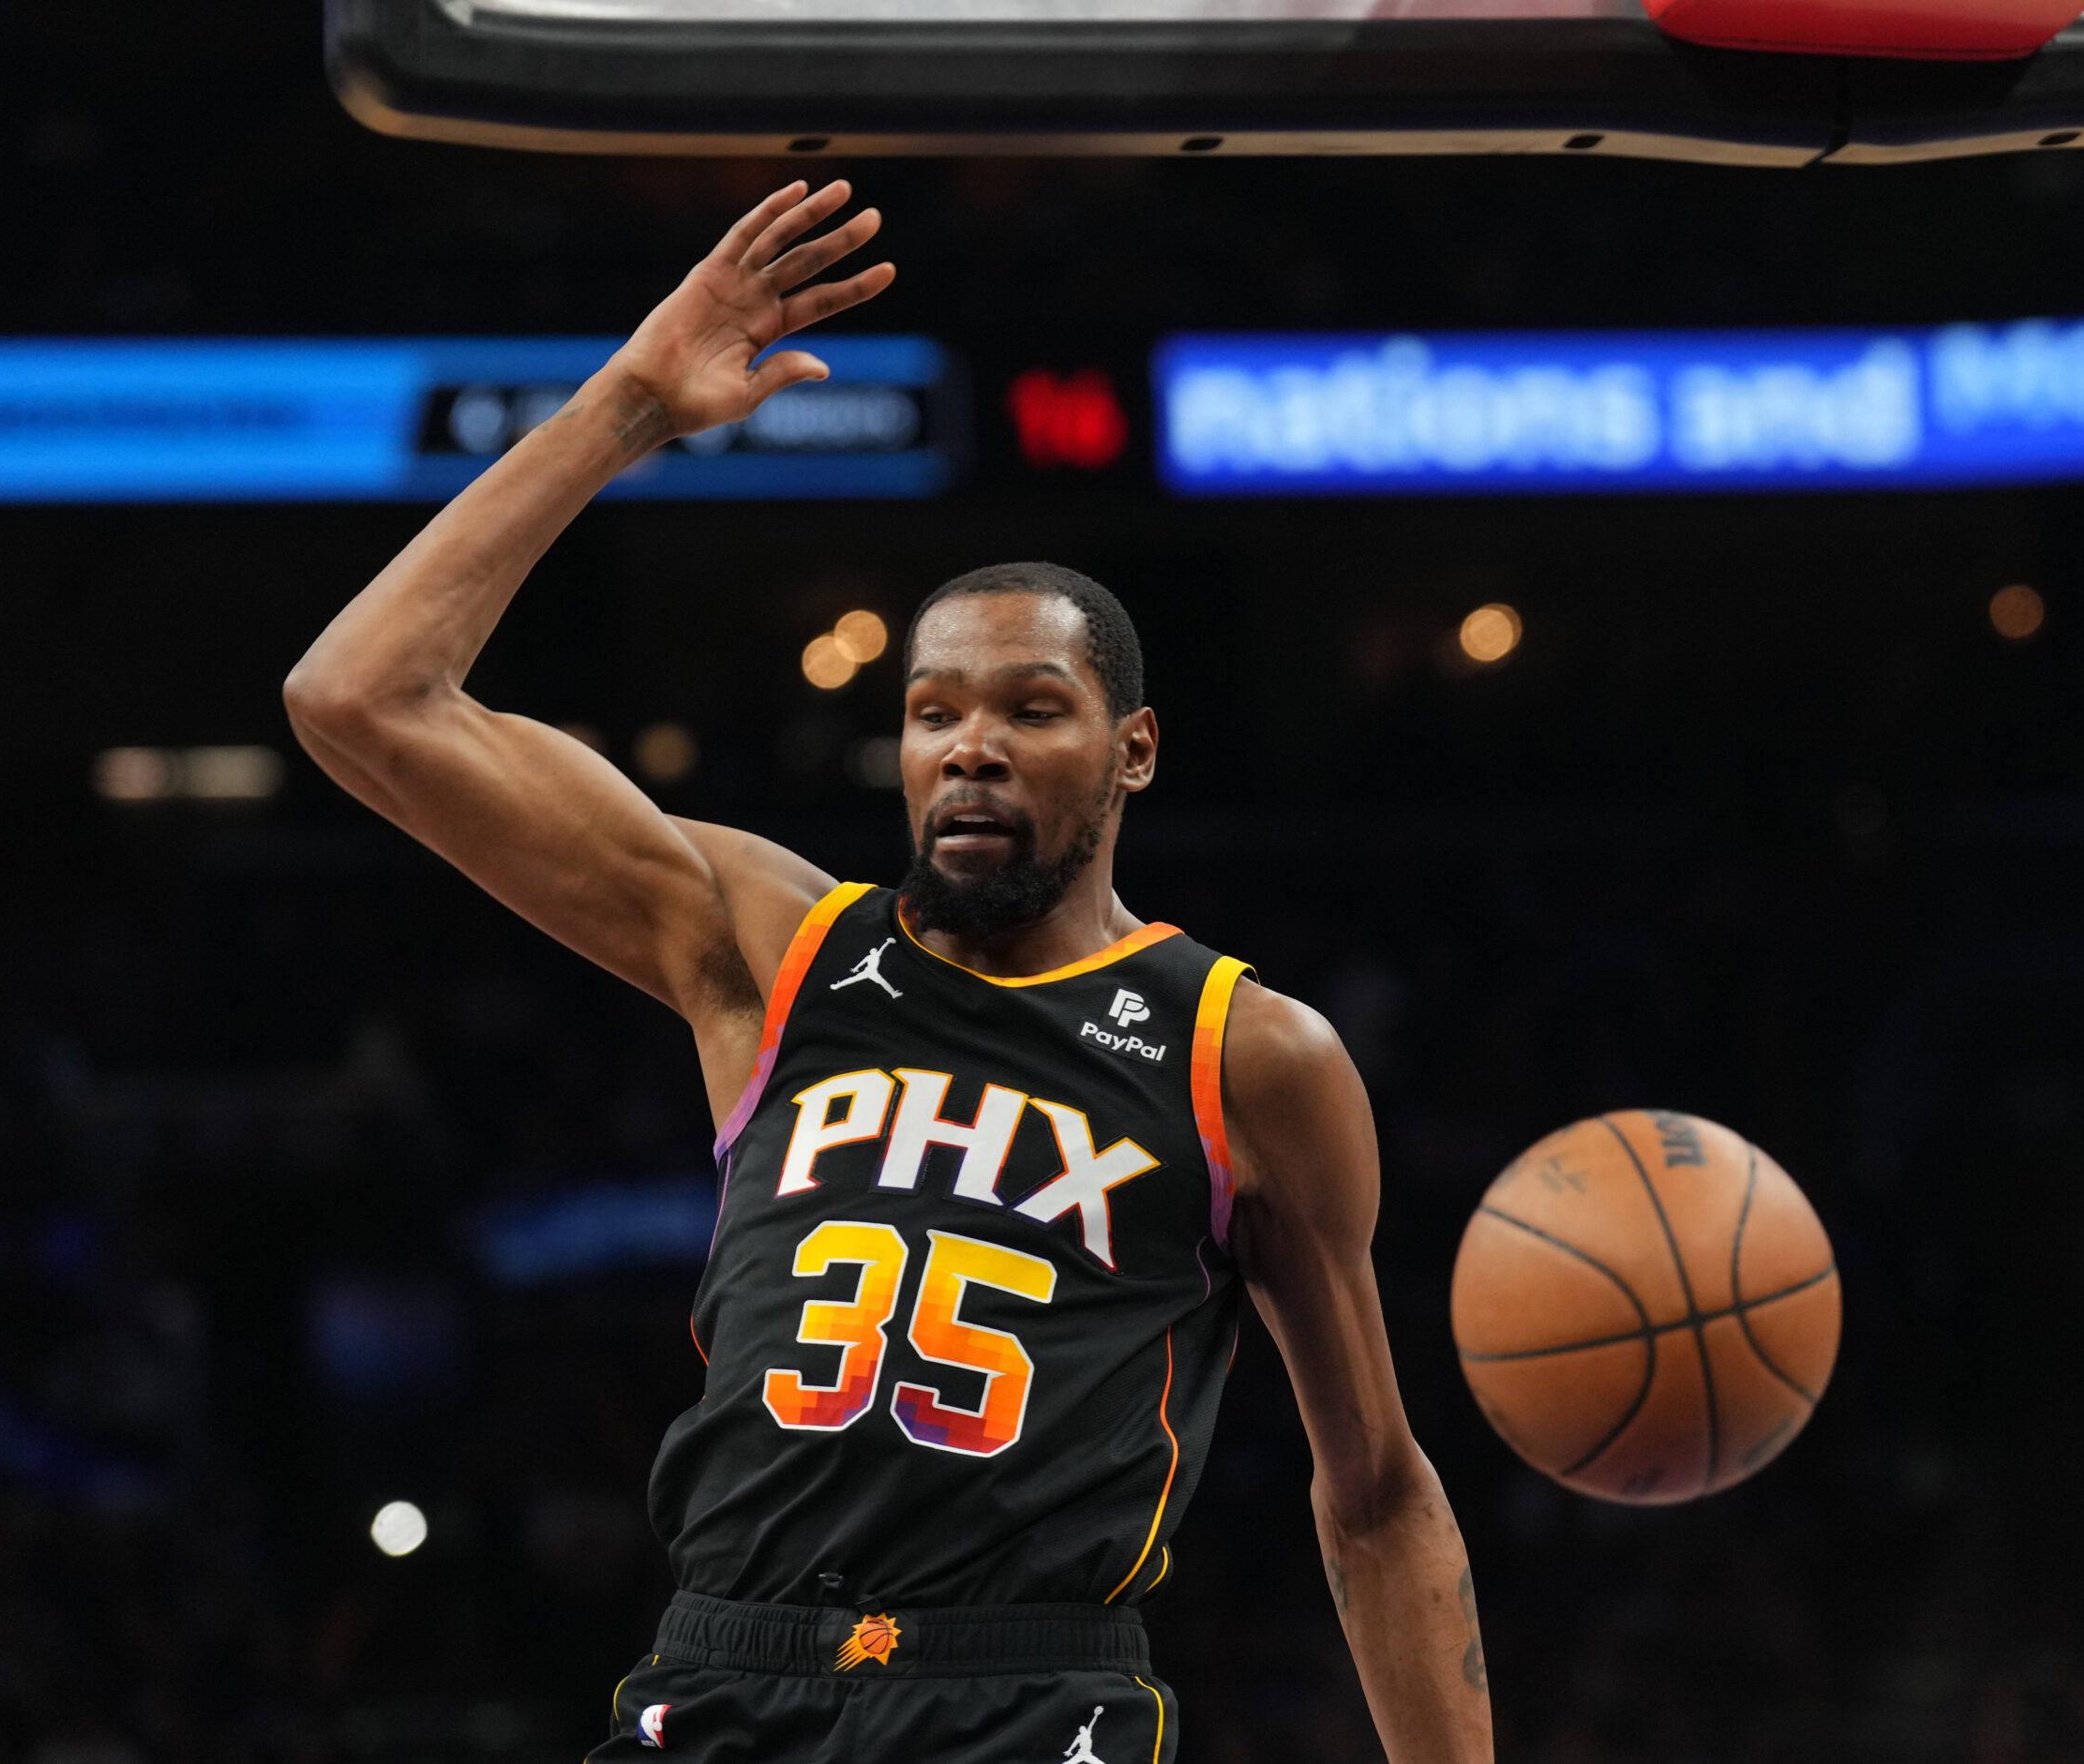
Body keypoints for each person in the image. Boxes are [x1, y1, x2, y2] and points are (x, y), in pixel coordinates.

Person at [284, 179, 1491, 1764]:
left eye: (1030, 709)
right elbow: (358, 695)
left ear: (1132, 751)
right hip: (724, 1665)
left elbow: (1380, 1491)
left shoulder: (1243, 1052)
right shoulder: (770, 948)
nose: (972, 745)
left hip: (1029, 1686)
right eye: (934, 713)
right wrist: (631, 405)